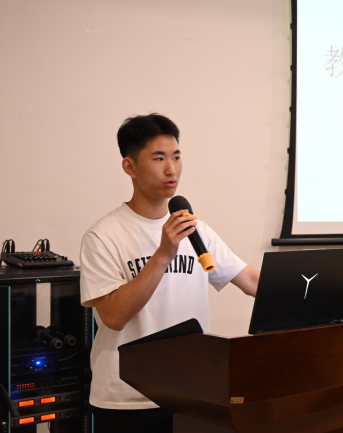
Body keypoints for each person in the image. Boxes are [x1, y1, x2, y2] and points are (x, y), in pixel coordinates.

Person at [79, 113, 260, 433]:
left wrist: (316, 301)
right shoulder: (103, 236)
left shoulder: (195, 228)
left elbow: (249, 280)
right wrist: (163, 254)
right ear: (130, 166)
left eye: (176, 156)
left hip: (192, 391)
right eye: (158, 158)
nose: (171, 169)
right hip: (128, 399)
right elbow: (113, 316)